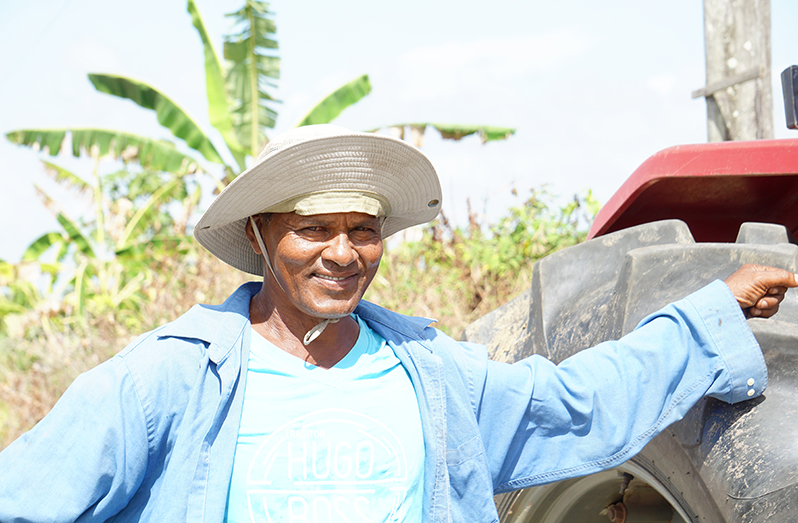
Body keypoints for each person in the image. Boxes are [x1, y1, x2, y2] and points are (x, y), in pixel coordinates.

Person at [0, 124, 795, 522]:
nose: (344, 253)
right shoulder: (173, 377)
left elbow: (578, 403)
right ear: (259, 236)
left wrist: (709, 313)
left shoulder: (427, 369)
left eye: (364, 228)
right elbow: (28, 494)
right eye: (313, 228)